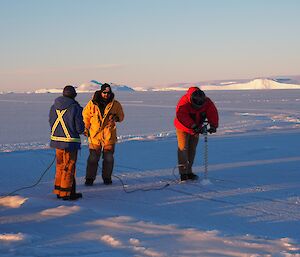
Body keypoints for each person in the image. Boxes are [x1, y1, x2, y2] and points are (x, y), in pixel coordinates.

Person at [83, 83, 124, 186]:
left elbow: (121, 116)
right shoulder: (92, 104)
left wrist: (116, 118)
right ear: (101, 92)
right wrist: (86, 128)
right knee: (93, 158)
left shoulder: (116, 104)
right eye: (104, 92)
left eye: (108, 93)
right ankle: (89, 178)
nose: (106, 95)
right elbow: (85, 116)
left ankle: (107, 177)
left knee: (108, 158)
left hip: (109, 136)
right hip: (95, 136)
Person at [174, 87, 219, 181]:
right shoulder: (184, 102)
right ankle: (183, 174)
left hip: (196, 128)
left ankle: (189, 171)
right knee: (183, 149)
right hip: (183, 127)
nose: (198, 107)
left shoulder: (207, 102)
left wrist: (213, 125)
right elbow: (182, 115)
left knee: (192, 149)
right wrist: (193, 126)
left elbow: (212, 112)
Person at [49, 85, 85, 200]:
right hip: (70, 142)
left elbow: (51, 121)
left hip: (57, 141)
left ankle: (59, 190)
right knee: (69, 167)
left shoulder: (53, 107)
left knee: (60, 166)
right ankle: (67, 193)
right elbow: (79, 128)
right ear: (74, 95)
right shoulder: (75, 108)